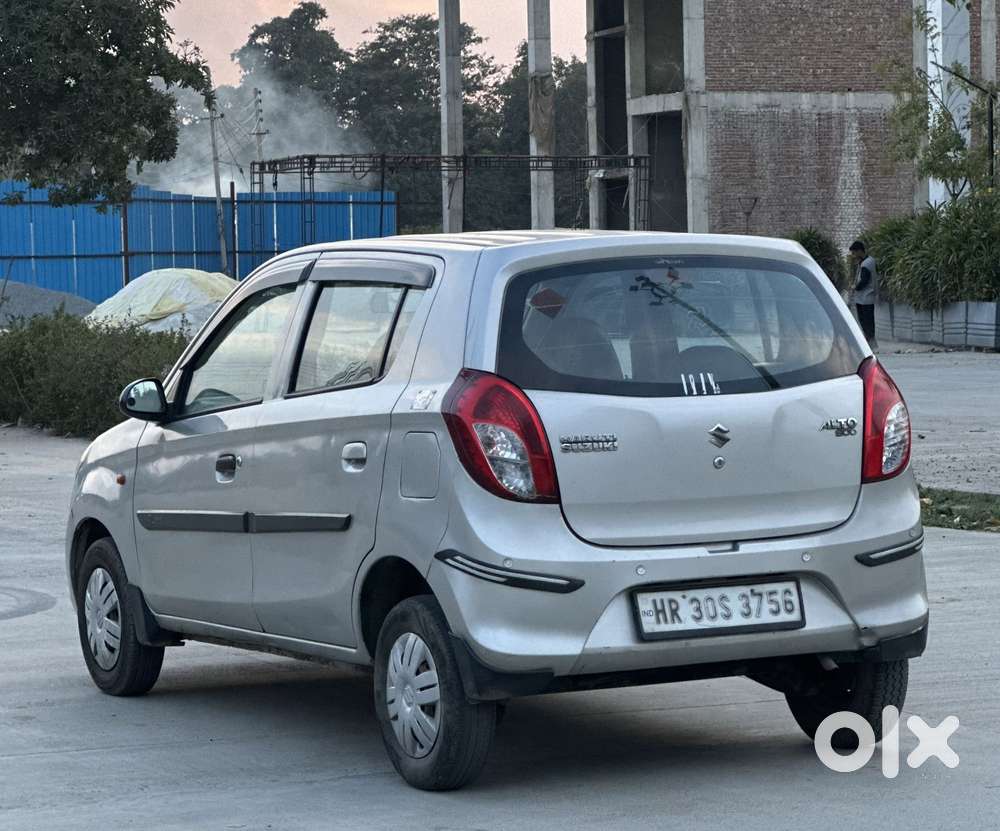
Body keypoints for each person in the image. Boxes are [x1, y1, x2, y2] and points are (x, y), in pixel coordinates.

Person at [849, 240, 878, 347]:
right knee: (865, 320)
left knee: (867, 321)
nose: (853, 256)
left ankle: (871, 342)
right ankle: (870, 341)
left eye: (854, 253)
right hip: (863, 297)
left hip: (866, 297)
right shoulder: (868, 261)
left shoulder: (866, 263)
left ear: (860, 251)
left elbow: (864, 281)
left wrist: (855, 287)